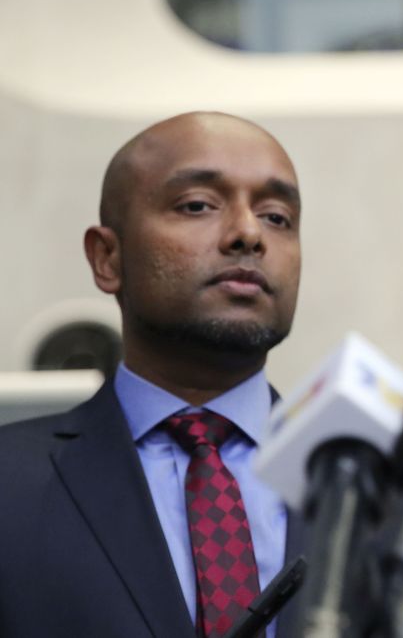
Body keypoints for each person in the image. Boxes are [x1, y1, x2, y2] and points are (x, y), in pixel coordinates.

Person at [0, 112, 306, 638]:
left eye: (277, 217)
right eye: (197, 206)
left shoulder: (382, 478)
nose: (249, 234)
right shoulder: (10, 482)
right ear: (107, 258)